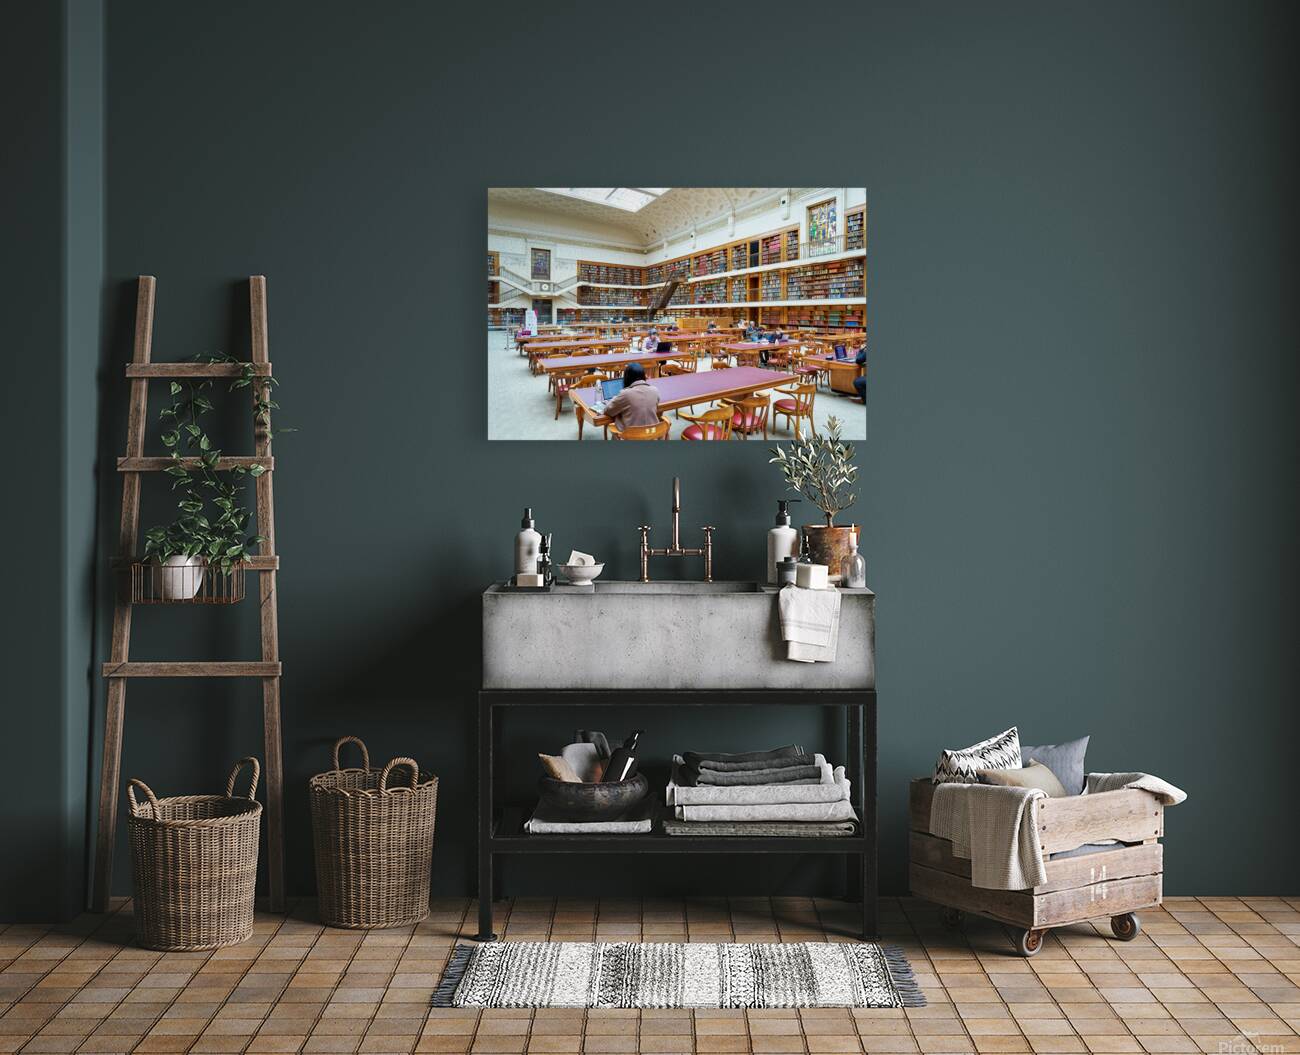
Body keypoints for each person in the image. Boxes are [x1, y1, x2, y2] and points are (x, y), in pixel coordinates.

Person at [603, 362, 661, 433]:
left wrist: (616, 397)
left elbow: (607, 411)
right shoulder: (655, 390)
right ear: (643, 376)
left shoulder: (625, 394)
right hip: (651, 434)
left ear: (627, 378)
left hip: (631, 437)